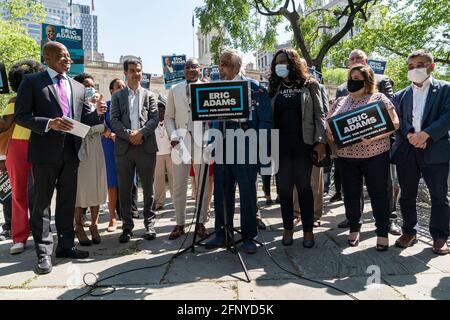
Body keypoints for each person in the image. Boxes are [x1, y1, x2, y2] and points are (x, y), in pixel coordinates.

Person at [14, 42, 106, 274]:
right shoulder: (33, 81)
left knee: (67, 203)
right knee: (42, 204)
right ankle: (43, 253)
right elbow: (21, 116)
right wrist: (49, 124)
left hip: (71, 153)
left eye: (68, 56)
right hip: (44, 153)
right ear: (47, 56)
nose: (68, 60)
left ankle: (66, 246)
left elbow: (85, 117)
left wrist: (97, 113)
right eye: (63, 56)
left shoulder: (77, 86)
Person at [205, 48, 273, 254]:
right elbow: (212, 120)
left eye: (225, 63)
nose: (220, 67)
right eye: (220, 62)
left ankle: (248, 236)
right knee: (221, 192)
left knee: (247, 192)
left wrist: (259, 143)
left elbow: (266, 120)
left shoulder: (255, 89)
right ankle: (221, 233)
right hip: (222, 145)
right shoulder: (215, 89)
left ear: (236, 67)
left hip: (246, 145)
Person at [327, 64, 400, 251]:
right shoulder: (340, 101)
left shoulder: (379, 98)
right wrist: (331, 133)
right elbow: (329, 125)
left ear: (367, 81)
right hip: (346, 157)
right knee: (351, 194)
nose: (353, 82)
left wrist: (373, 137)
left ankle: (382, 232)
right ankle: (354, 228)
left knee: (379, 194)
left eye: (358, 79)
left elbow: (395, 123)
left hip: (375, 155)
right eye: (351, 78)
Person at [392, 49, 450, 255]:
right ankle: (409, 231)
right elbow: (397, 120)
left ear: (431, 66)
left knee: (439, 195)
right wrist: (410, 135)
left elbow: (447, 116)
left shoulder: (445, 89)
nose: (414, 69)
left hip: (435, 150)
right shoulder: (400, 95)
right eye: (410, 66)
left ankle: (440, 236)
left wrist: (426, 135)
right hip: (407, 151)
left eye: (419, 65)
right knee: (407, 194)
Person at [268, 48, 327, 247]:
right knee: (284, 190)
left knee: (304, 188)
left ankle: (308, 231)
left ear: (292, 62)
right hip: (280, 147)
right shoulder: (274, 88)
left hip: (304, 145)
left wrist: (320, 141)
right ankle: (287, 229)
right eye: (276, 62)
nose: (279, 65)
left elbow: (320, 115)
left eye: (283, 61)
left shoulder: (310, 85)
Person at [110, 58, 159, 243]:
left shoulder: (150, 95)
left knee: (148, 188)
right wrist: (130, 134)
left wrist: (141, 134)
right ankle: (127, 227)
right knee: (124, 190)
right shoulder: (117, 96)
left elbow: (154, 118)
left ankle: (150, 225)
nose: (136, 74)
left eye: (138, 70)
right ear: (125, 73)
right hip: (124, 148)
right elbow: (113, 120)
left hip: (146, 147)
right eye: (132, 70)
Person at [0, 60, 43, 255]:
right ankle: (19, 236)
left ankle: (41, 231)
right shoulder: (13, 102)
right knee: (18, 193)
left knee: (42, 192)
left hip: (40, 145)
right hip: (17, 147)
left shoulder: (43, 99)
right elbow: (3, 125)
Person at [164, 58, 210, 240]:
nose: (191, 69)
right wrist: (173, 137)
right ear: (184, 71)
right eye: (187, 67)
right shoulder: (174, 91)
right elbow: (168, 117)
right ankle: (180, 223)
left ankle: (200, 223)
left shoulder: (207, 88)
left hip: (202, 142)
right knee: (179, 185)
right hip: (180, 143)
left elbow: (214, 115)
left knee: (203, 185)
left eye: (194, 66)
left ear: (200, 70)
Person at [73, 73, 107, 246]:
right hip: (81, 149)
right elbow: (80, 126)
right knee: (81, 190)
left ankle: (94, 225)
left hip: (96, 148)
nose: (90, 88)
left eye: (92, 85)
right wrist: (96, 121)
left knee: (96, 186)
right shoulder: (73, 104)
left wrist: (99, 116)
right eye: (87, 85)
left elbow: (103, 126)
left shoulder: (96, 104)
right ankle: (78, 226)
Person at [102, 78, 126, 232]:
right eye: (118, 87)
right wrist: (109, 133)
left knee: (126, 182)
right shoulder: (107, 107)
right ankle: (112, 218)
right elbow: (101, 124)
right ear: (111, 90)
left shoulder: (129, 107)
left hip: (126, 146)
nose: (121, 89)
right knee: (112, 183)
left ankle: (126, 217)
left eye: (123, 87)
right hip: (109, 145)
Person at [154, 94, 174, 211]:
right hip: (157, 154)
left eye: (163, 109)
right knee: (158, 179)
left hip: (170, 153)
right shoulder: (151, 123)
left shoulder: (169, 122)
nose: (160, 112)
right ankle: (159, 202)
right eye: (158, 110)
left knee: (173, 178)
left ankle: (176, 201)